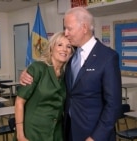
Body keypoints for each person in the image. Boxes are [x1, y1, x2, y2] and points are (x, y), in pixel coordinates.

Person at [20, 7, 122, 141]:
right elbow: (52, 67)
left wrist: (96, 137)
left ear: (84, 28)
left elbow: (113, 105)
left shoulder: (107, 57)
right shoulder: (70, 55)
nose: (66, 33)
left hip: (93, 133)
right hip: (67, 131)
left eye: (69, 28)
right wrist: (27, 72)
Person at [14, 31, 73, 141]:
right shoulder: (37, 68)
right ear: (51, 48)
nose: (64, 49)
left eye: (68, 47)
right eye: (60, 45)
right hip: (33, 132)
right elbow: (19, 102)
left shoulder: (67, 75)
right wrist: (20, 135)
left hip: (56, 133)